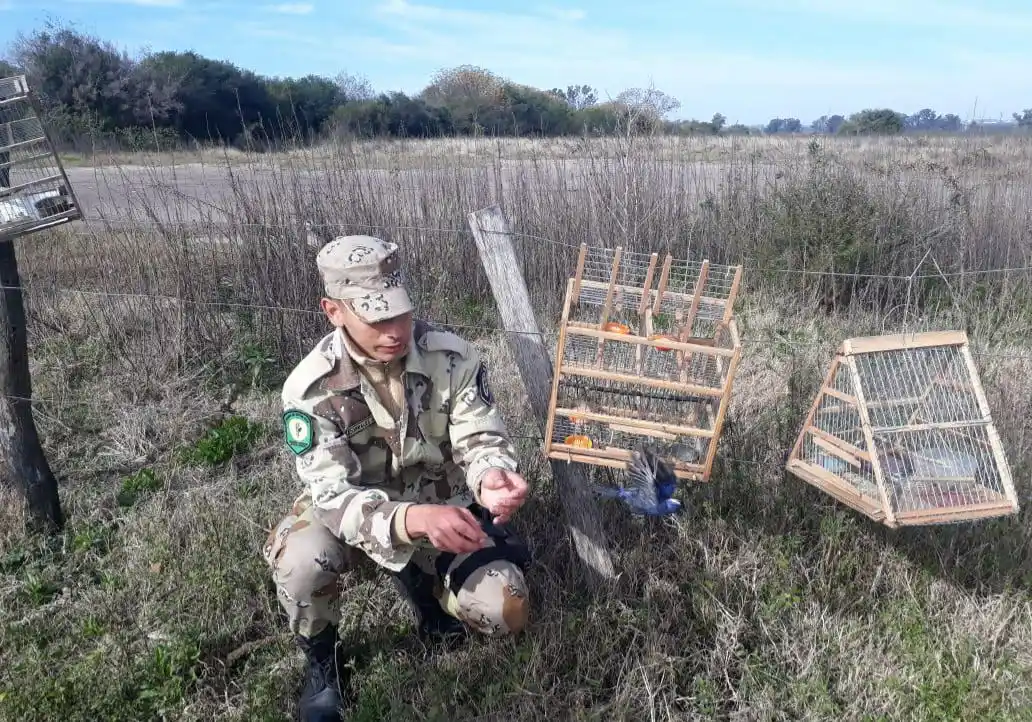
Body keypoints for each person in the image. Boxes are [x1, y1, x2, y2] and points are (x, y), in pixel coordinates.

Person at [263, 234, 533, 721]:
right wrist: (410, 520)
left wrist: (492, 474)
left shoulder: (452, 357)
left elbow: (479, 434)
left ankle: (427, 589)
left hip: (445, 503)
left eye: (402, 312)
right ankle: (324, 660)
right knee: (302, 559)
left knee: (505, 610)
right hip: (358, 511)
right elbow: (331, 493)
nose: (396, 329)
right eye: (377, 316)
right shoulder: (309, 388)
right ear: (333, 310)